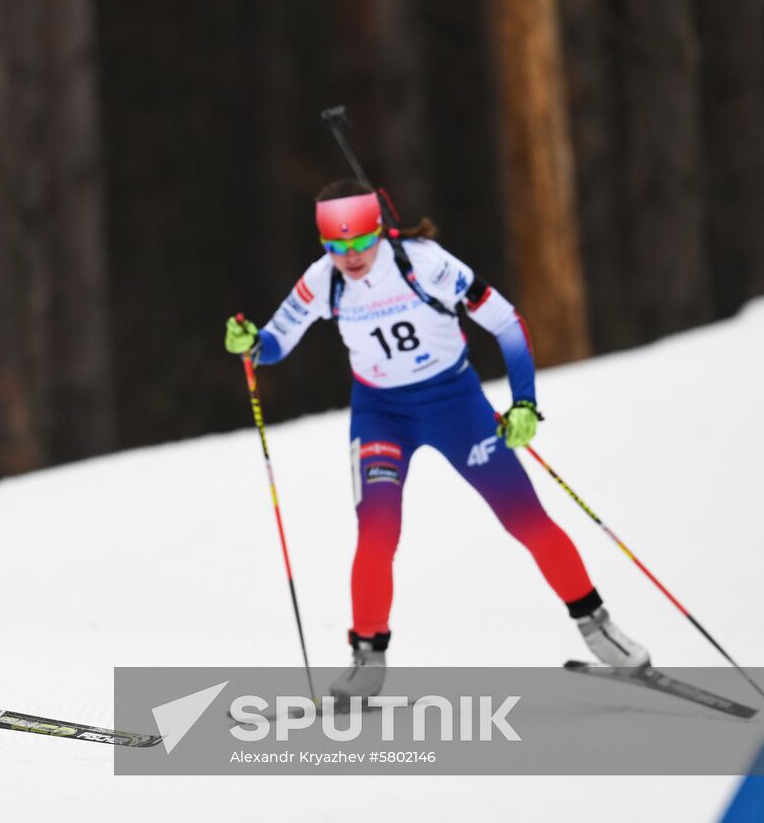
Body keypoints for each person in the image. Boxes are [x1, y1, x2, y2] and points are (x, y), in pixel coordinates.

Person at [224, 180, 648, 701]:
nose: (350, 258)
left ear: (379, 230)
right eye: (337, 247)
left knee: (526, 519)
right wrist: (251, 344)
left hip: (455, 405)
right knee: (377, 533)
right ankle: (367, 659)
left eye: (360, 243)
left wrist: (524, 403)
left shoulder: (424, 263)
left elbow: (506, 322)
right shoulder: (322, 280)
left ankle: (599, 630)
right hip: (382, 416)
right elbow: (273, 343)